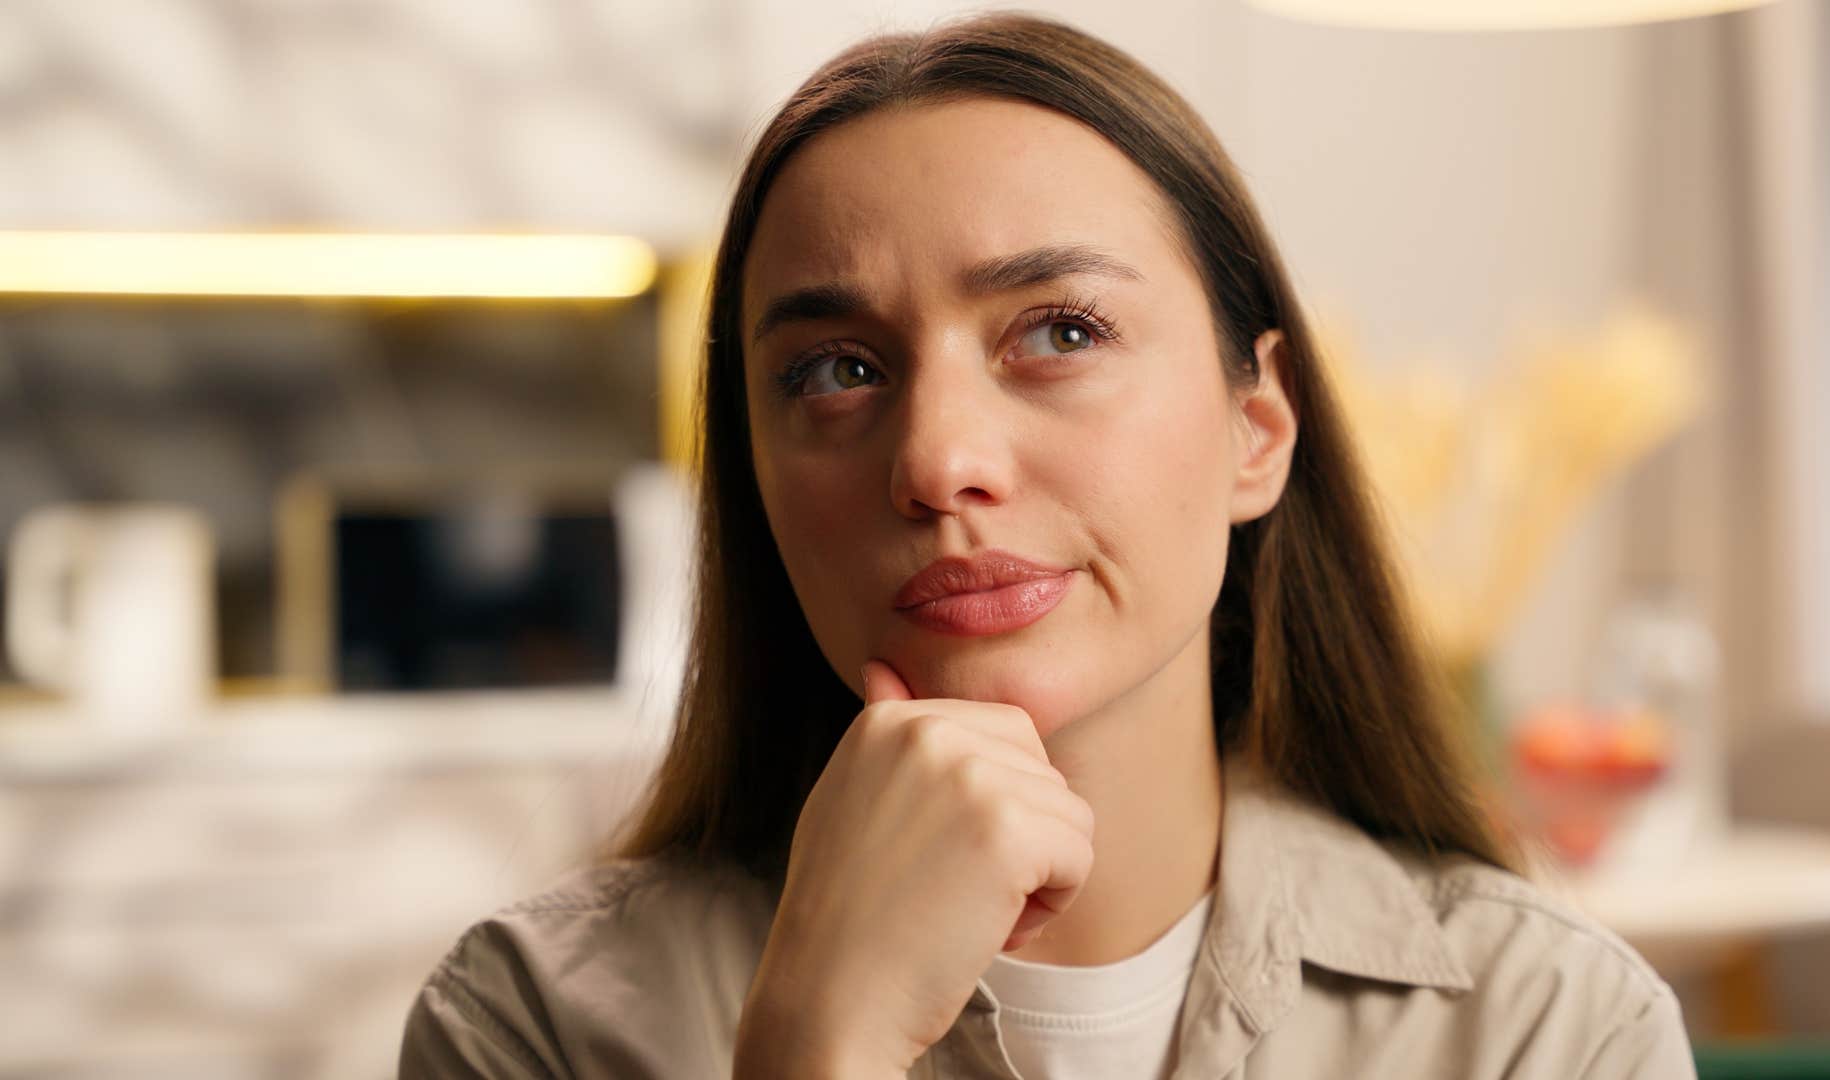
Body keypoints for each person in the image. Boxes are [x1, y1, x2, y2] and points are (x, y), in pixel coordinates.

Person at [399, 13, 1696, 1079]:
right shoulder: (537, 1027)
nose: (937, 460)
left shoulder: (1549, 1031)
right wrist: (817, 1041)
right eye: (836, 369)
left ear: (1257, 427)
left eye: (1060, 332)